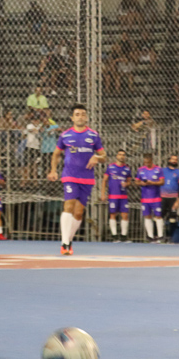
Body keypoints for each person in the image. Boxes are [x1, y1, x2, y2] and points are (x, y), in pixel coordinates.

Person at [48, 104, 105, 255]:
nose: (80, 117)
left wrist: (97, 157)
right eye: (77, 114)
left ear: (86, 117)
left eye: (83, 114)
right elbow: (56, 154)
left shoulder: (93, 135)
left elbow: (104, 156)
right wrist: (53, 170)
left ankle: (69, 240)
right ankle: (65, 244)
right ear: (72, 118)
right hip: (70, 176)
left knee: (79, 213)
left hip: (87, 178)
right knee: (68, 206)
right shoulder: (65, 135)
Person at [101, 149, 132, 242]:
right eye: (120, 154)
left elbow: (129, 181)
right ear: (117, 156)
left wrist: (126, 184)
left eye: (123, 155)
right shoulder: (110, 167)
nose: (122, 156)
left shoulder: (127, 168)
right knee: (113, 214)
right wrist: (103, 193)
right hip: (113, 195)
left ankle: (123, 236)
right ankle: (114, 236)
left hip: (123, 196)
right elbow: (104, 180)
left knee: (125, 215)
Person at [136, 153, 165, 242]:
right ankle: (150, 236)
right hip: (145, 198)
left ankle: (160, 236)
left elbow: (162, 182)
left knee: (158, 216)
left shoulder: (158, 169)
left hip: (156, 197)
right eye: (145, 162)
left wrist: (152, 183)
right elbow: (136, 182)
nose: (147, 164)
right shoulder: (140, 170)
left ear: (152, 160)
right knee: (147, 216)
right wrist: (141, 183)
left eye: (148, 162)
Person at [161, 154, 179, 241]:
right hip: (162, 197)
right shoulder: (162, 171)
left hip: (173, 198)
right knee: (159, 216)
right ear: (169, 160)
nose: (174, 161)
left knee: (172, 218)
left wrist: (178, 201)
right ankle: (158, 236)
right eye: (173, 159)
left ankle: (170, 236)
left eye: (176, 159)